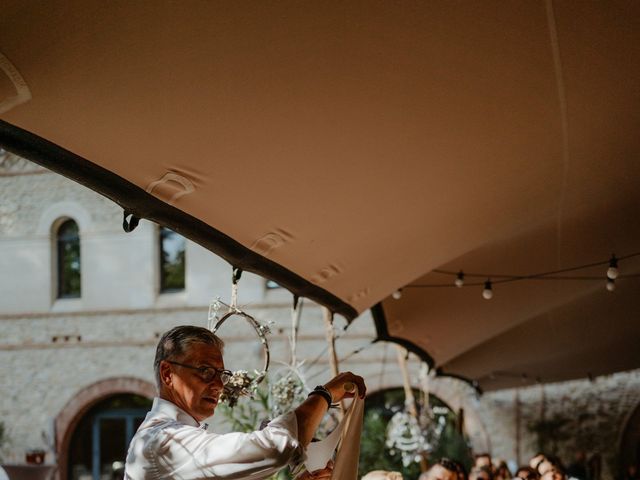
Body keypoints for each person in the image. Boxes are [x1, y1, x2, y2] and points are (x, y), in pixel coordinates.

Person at [124, 325, 366, 480]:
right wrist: (324, 395)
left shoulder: (176, 438)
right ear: (168, 374)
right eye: (205, 371)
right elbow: (275, 448)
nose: (218, 384)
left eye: (222, 374)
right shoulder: (162, 441)